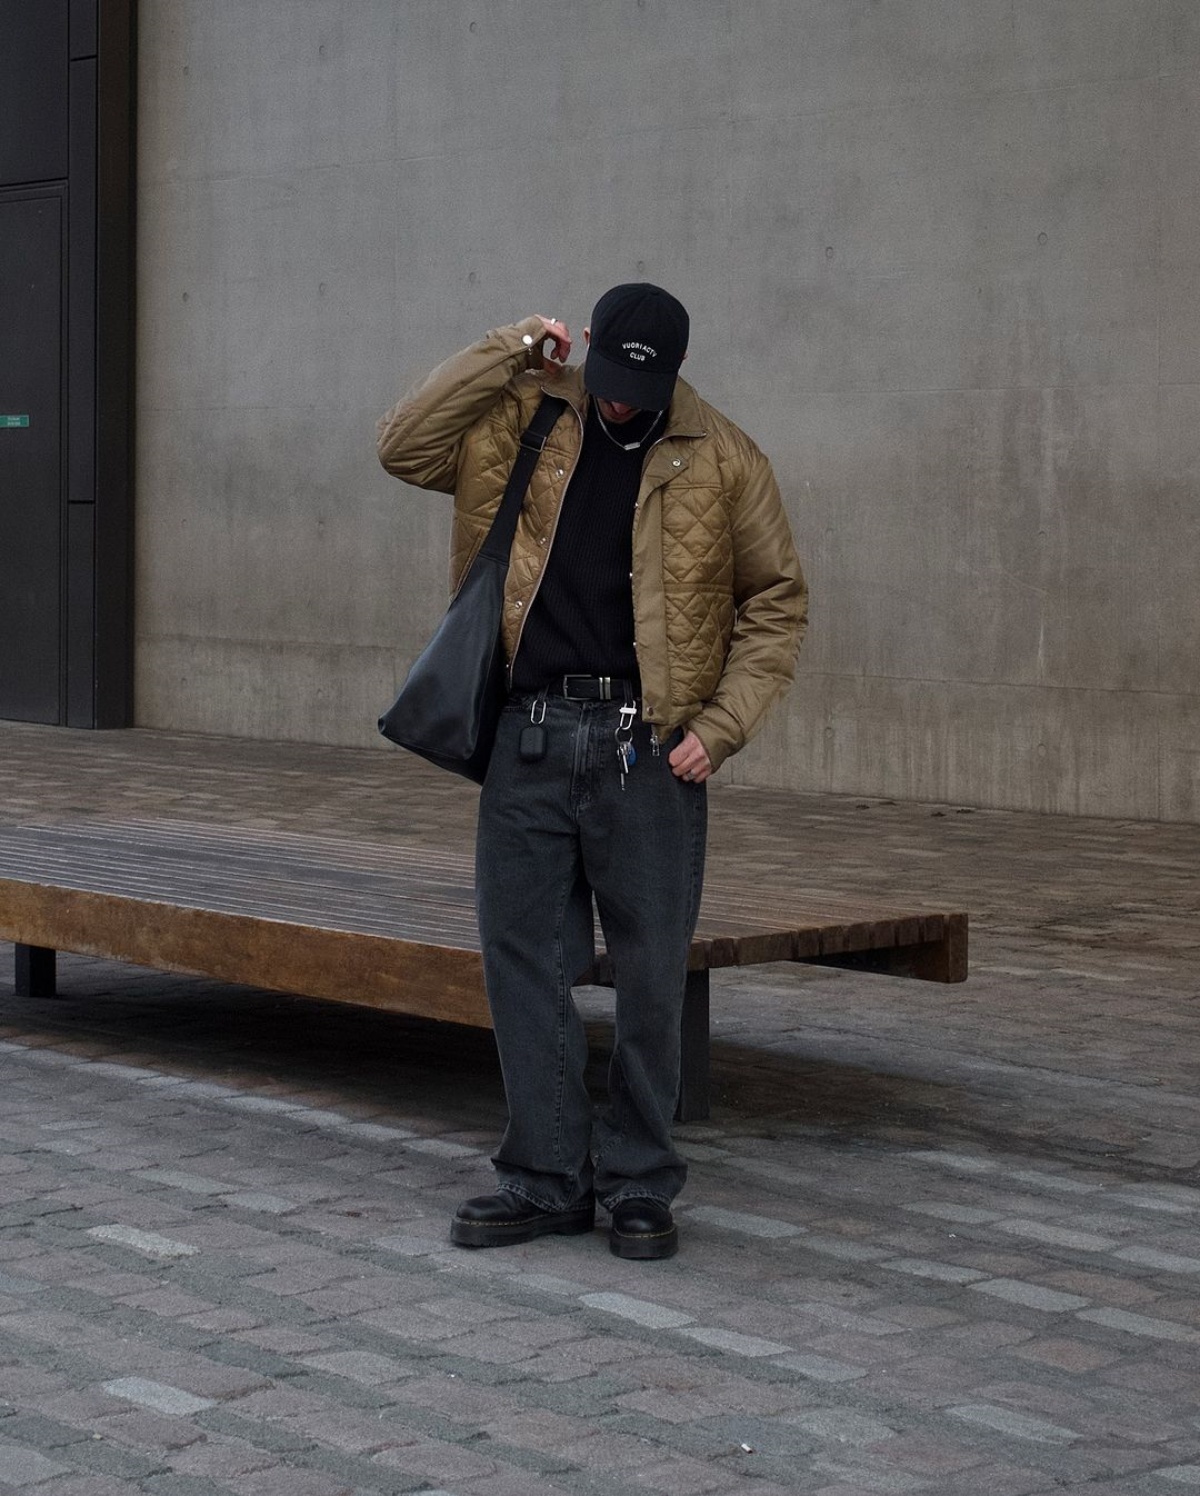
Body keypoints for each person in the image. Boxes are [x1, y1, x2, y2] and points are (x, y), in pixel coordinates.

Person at [377, 283, 806, 1259]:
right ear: (590, 354)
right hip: (527, 736)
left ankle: (642, 1184)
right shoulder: (526, 415)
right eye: (607, 382)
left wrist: (725, 724)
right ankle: (545, 1175)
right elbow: (400, 444)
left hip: (648, 751)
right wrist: (506, 346)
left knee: (652, 978)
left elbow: (776, 600)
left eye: (638, 393)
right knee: (520, 963)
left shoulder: (725, 458)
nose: (619, 404)